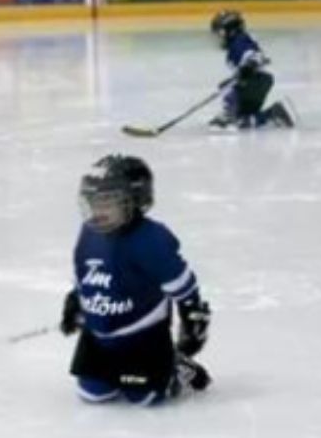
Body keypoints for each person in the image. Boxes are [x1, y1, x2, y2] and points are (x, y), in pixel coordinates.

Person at [59, 155, 212, 407]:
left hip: (143, 340)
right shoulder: (89, 232)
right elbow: (85, 273)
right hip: (98, 339)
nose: (98, 212)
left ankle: (175, 368)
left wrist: (192, 315)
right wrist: (75, 299)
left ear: (136, 201)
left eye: (108, 203)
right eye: (93, 203)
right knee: (92, 395)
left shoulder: (151, 239)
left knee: (146, 399)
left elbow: (182, 284)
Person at [208, 10, 295, 129]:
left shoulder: (238, 42)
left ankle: (230, 116)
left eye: (220, 33)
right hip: (259, 81)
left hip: (255, 81)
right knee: (244, 120)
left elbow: (253, 55)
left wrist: (248, 66)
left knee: (226, 86)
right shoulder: (239, 41)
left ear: (228, 31)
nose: (219, 37)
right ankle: (272, 115)